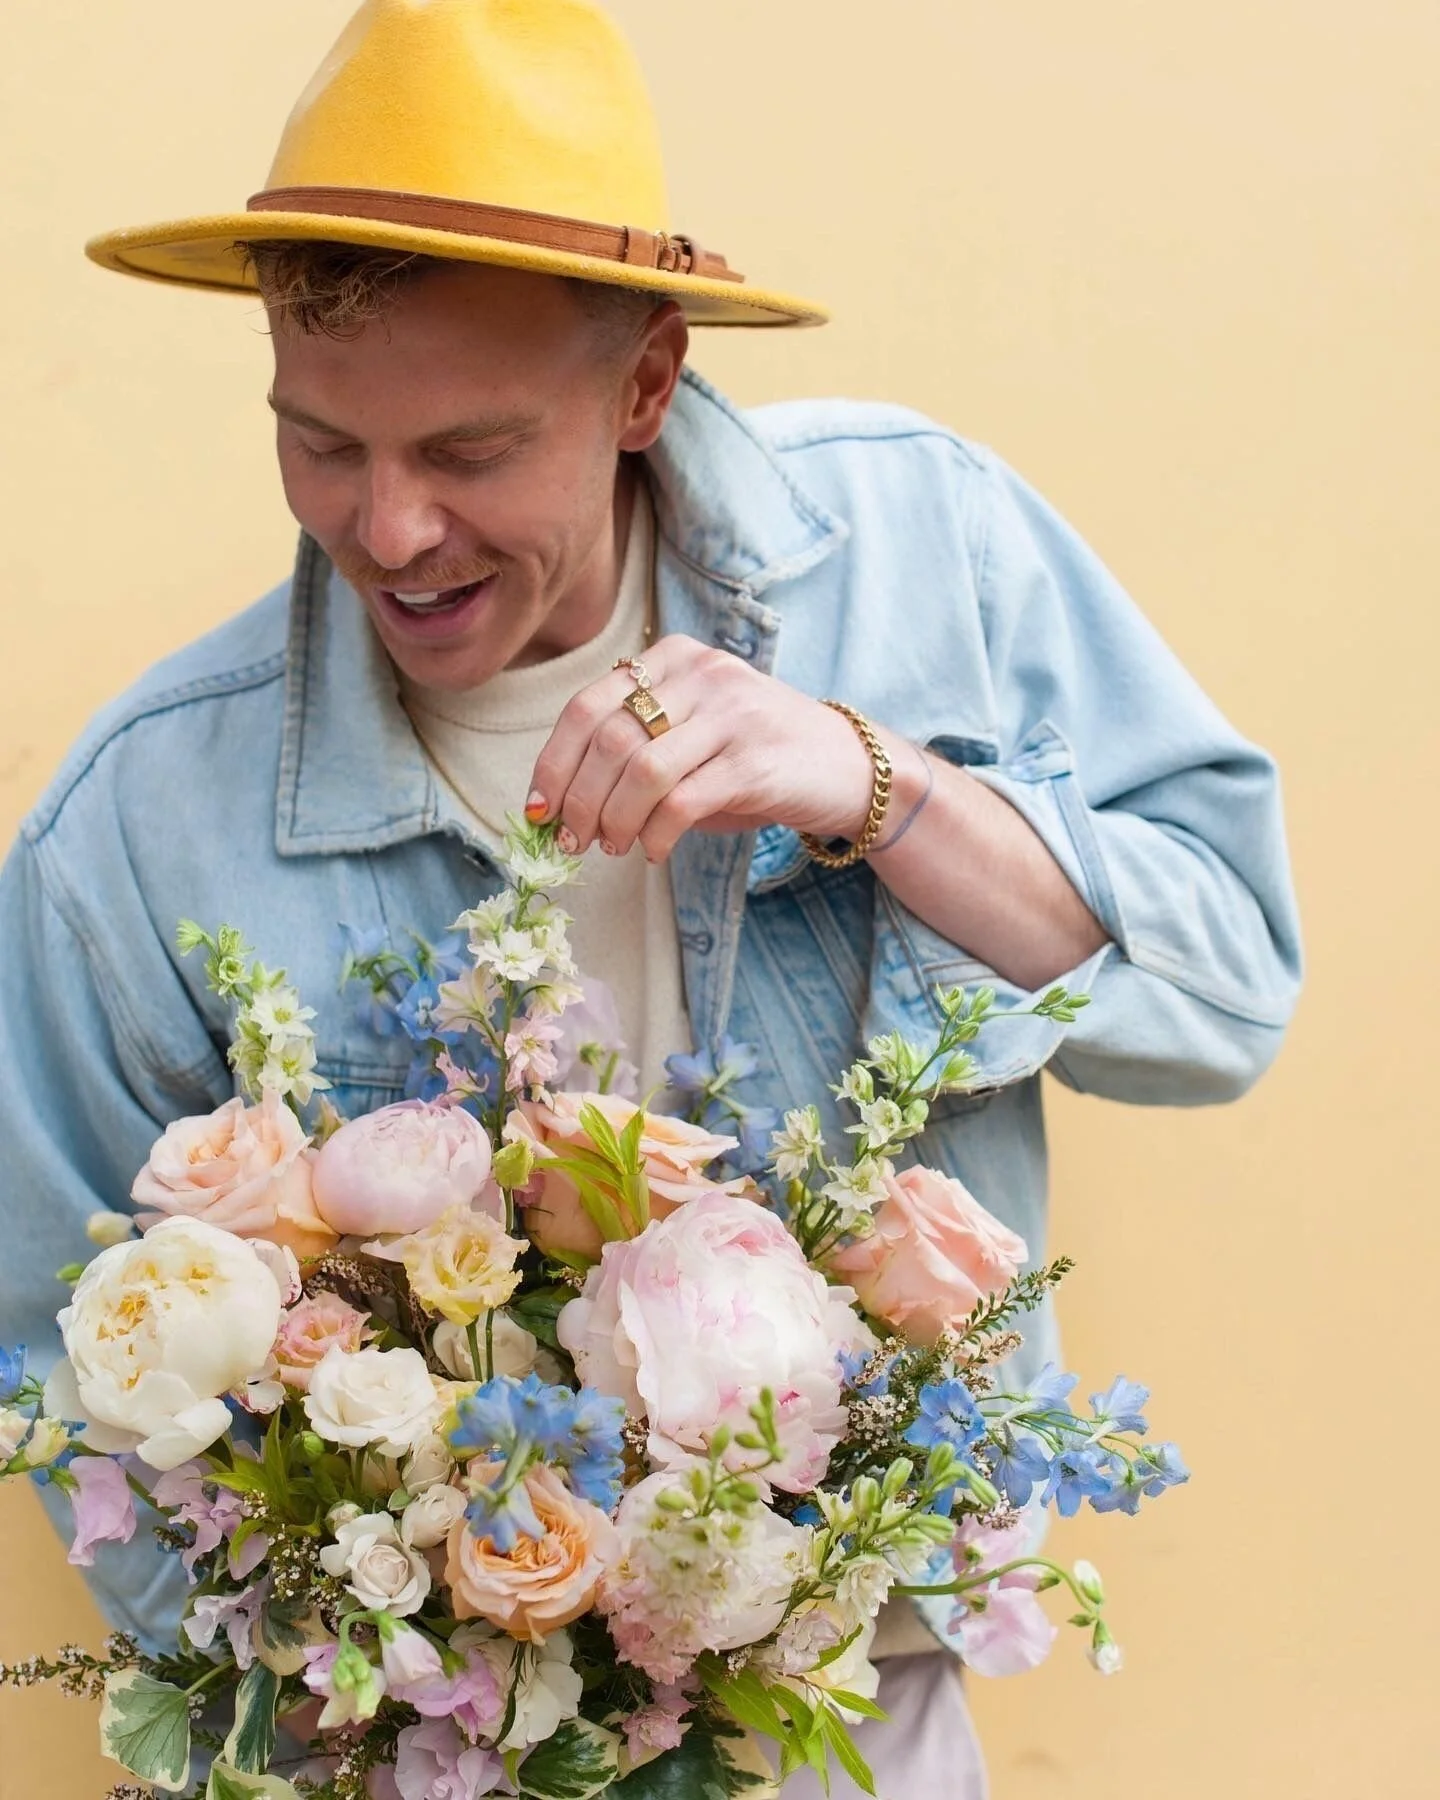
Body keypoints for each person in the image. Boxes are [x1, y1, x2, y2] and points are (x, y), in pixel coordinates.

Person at [0, 2, 1301, 1794]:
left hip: (858, 1725)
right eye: (321, 444)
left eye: (464, 453)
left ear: (644, 382)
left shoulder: (931, 549)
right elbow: (62, 1375)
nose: (385, 531)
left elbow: (1226, 1003)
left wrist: (875, 784)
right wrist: (385, 1670)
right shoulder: (138, 825)